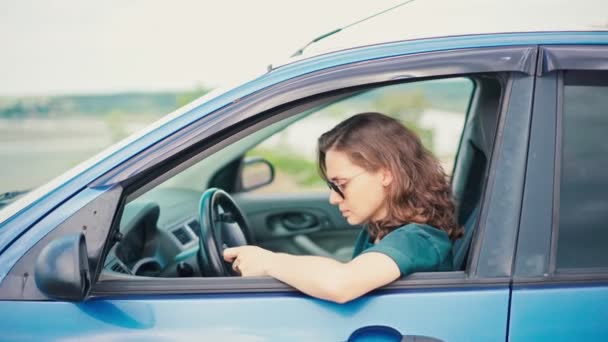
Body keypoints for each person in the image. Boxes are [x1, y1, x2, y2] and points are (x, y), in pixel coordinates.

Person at [223, 112, 463, 303]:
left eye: (341, 184)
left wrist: (269, 263)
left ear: (386, 174)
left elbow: (341, 284)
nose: (333, 199)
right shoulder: (377, 230)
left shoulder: (417, 239)